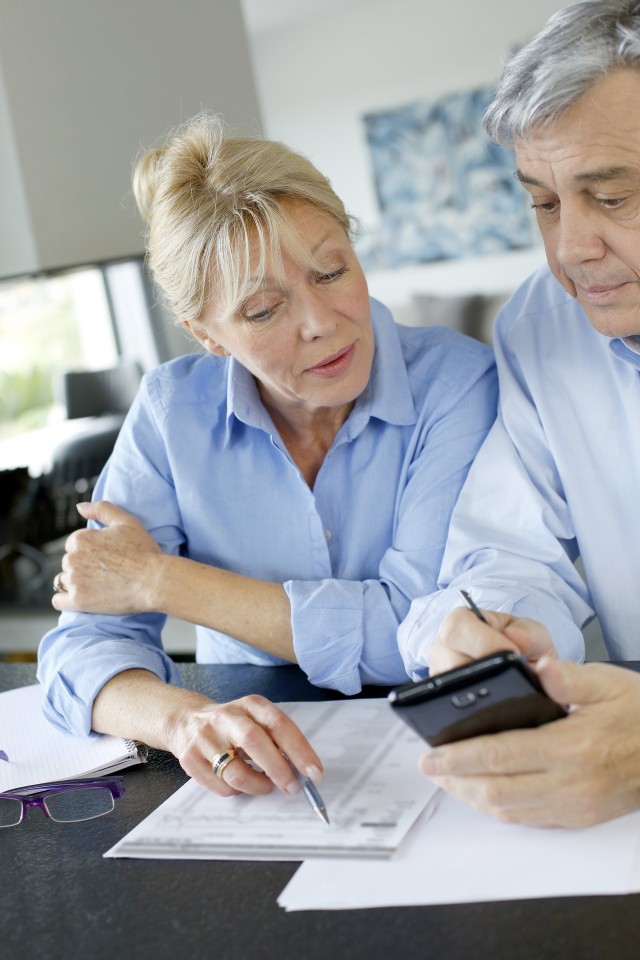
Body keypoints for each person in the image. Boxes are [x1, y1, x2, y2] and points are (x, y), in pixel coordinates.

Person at [37, 113, 496, 800]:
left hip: (446, 753)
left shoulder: (458, 383)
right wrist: (184, 719)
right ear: (206, 334)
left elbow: (420, 629)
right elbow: (80, 650)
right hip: (258, 776)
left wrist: (162, 581)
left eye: (332, 270)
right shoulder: (171, 413)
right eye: (262, 311)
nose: (321, 321)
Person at [398, 0, 640, 828]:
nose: (570, 249)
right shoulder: (543, 324)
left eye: (609, 197)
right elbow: (512, 548)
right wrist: (494, 626)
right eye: (544, 203)